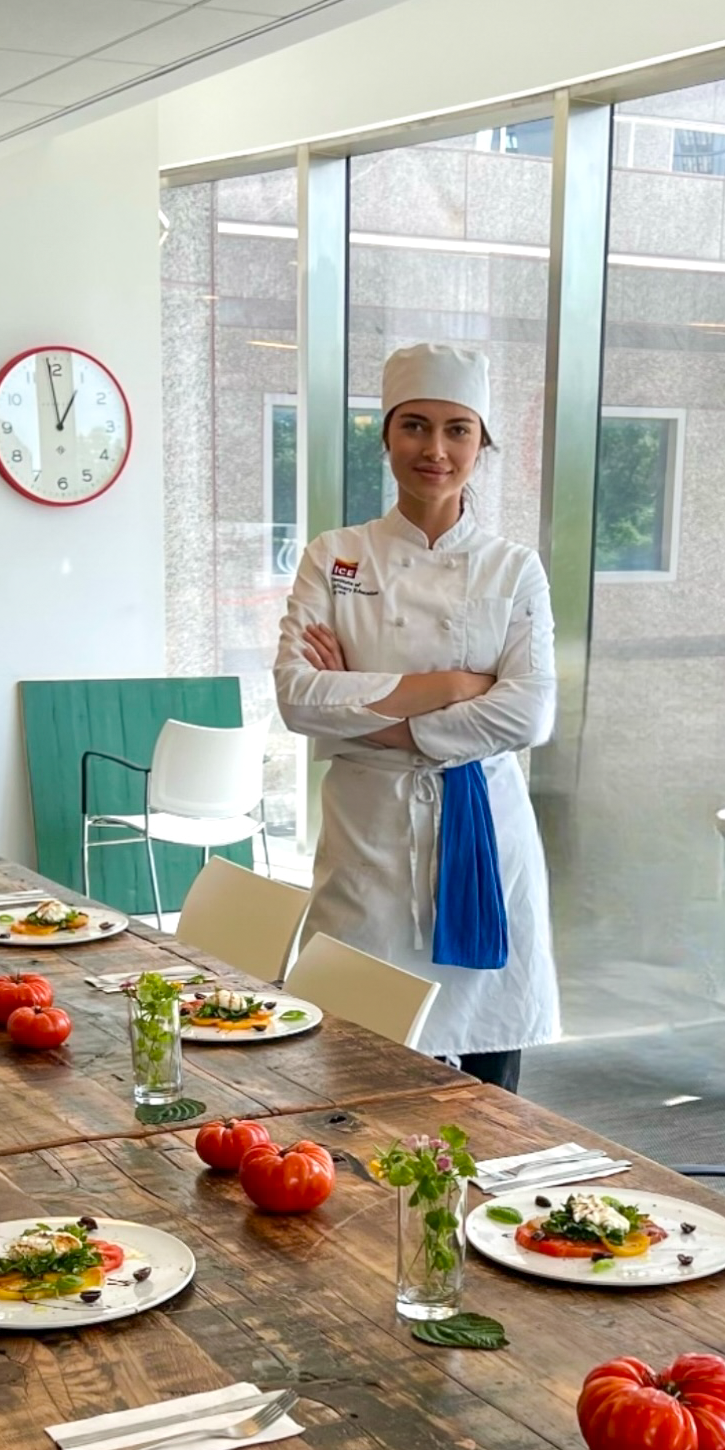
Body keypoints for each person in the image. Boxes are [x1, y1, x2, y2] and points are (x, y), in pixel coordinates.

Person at [273, 341, 558, 1091]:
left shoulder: (513, 567)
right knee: (347, 1068)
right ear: (387, 435)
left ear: (481, 444)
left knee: (488, 1094)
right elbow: (297, 698)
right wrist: (453, 685)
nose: (435, 449)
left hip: (483, 838)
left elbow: (530, 713)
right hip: (368, 842)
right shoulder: (336, 556)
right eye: (415, 426)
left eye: (458, 429)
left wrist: (375, 714)